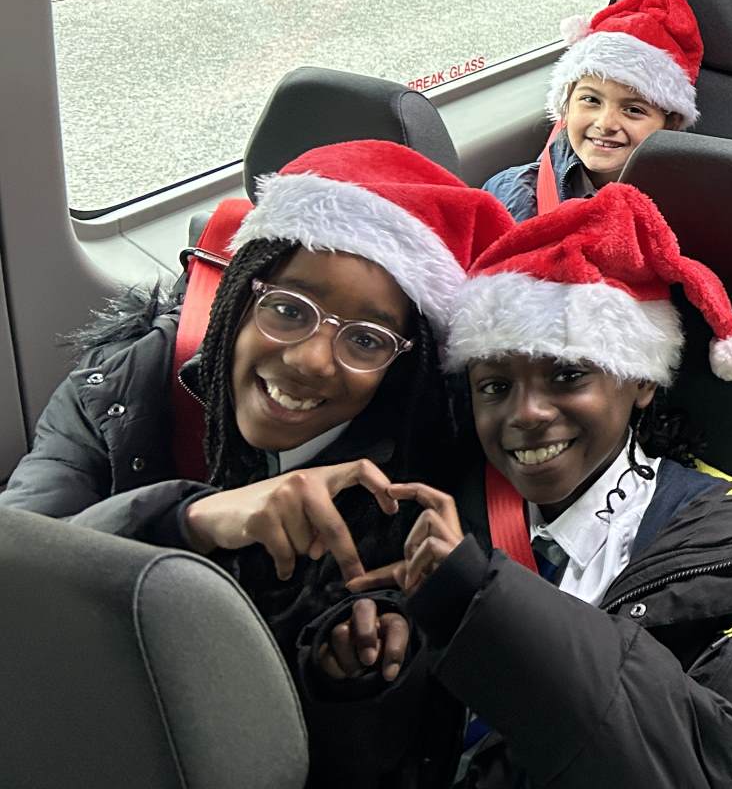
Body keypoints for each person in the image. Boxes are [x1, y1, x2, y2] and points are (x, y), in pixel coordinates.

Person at [300, 184, 732, 789]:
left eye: (568, 375)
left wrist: (492, 609)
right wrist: (364, 679)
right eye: (495, 387)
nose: (526, 414)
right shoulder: (435, 505)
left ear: (641, 380)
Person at [0, 141, 514, 661]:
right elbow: (15, 571)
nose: (310, 361)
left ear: (402, 366)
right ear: (241, 296)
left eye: (365, 340)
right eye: (288, 310)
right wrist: (187, 521)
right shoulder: (122, 389)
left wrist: (355, 663)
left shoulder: (427, 470)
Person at [482, 0, 702, 220]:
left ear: (670, 124)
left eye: (633, 110)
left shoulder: (688, 209)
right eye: (591, 100)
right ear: (566, 106)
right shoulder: (508, 193)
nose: (606, 124)